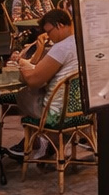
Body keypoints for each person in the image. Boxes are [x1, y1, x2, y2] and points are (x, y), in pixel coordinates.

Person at [11, 10, 79, 155]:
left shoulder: (61, 48)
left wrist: (22, 65)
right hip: (80, 110)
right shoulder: (81, 42)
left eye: (49, 31)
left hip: (56, 114)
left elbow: (34, 80)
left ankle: (41, 139)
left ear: (60, 25)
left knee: (23, 94)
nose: (49, 36)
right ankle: (48, 141)